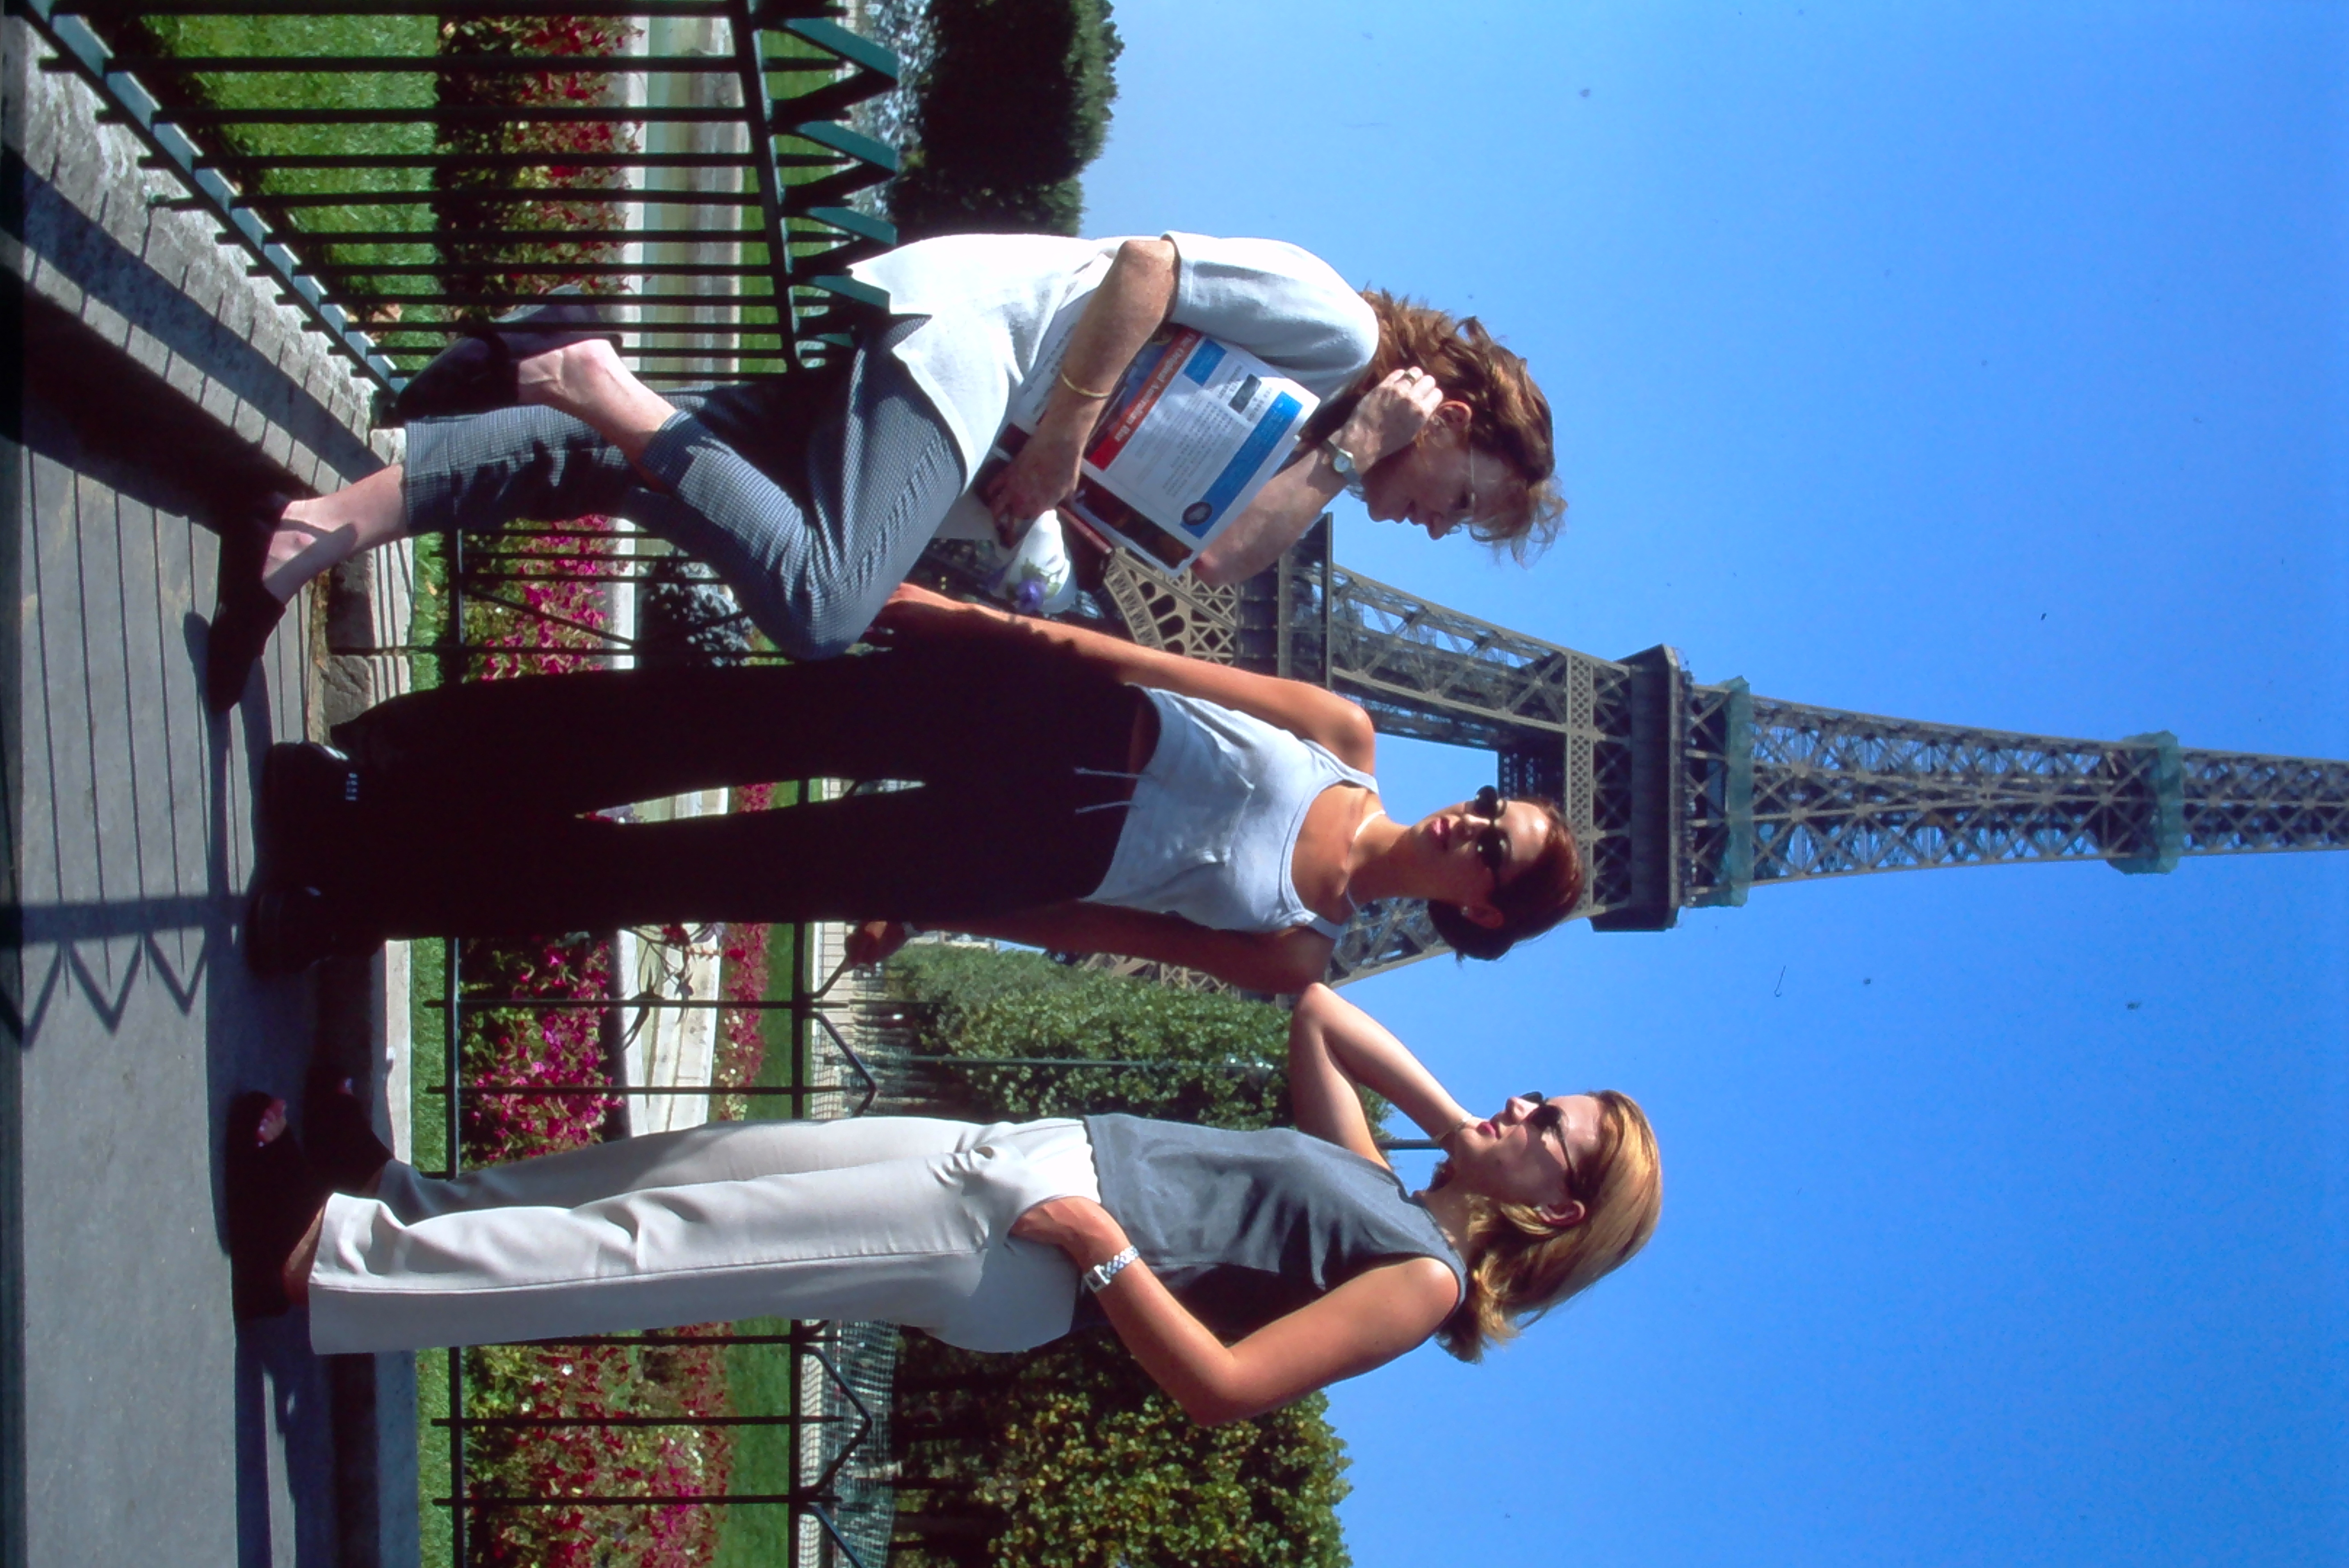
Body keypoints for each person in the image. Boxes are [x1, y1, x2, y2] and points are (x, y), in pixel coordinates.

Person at [205, 232, 1563, 709]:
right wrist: (1062, 430)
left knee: (639, 468)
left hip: (972, 420)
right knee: (824, 604)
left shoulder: (1319, 445)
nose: (1434, 529)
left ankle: (311, 529)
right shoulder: (1332, 323)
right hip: (973, 354)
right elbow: (1147, 264)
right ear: (1455, 415)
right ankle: (595, 369)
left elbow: (1213, 564)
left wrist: (1345, 458)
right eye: (1462, 503)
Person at [226, 983, 1661, 1424]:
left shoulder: (1419, 1282)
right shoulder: (1372, 1181)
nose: (1527, 1106)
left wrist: (1102, 1254)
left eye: (1554, 1134)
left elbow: (1226, 1390)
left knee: (684, 1248)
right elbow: (1320, 1013)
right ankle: (397, 1198)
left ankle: (328, 1264)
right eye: (1545, 1097)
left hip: (1041, 1245)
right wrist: (1458, 1128)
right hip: (1029, 1157)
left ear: (1559, 1216)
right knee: (687, 1171)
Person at [250, 583, 1585, 983]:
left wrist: (934, 908)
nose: (1475, 822)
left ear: (1479, 911)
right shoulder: (1344, 733)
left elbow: (1097, 930)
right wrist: (960, 620)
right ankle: (387, 769)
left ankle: (360, 897)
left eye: (1496, 850)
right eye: (1494, 808)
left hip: (1014, 852)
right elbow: (1143, 662)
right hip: (1030, 709)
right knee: (698, 727)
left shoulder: (1298, 953)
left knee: (678, 873)